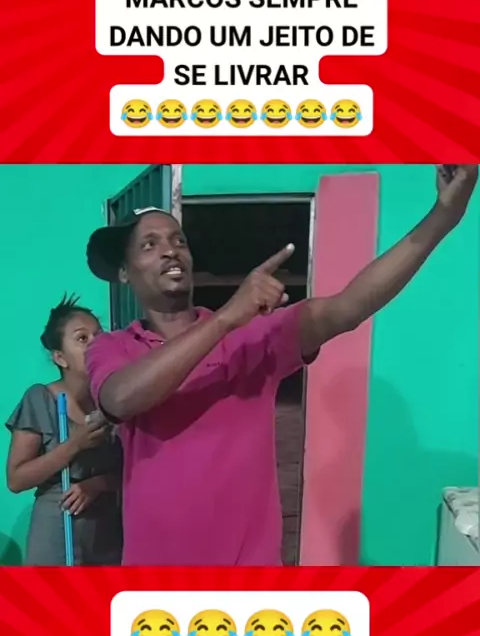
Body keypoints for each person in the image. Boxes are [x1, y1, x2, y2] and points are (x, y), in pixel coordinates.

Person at [85, 165, 477, 567]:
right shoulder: (111, 348)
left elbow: (348, 307)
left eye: (178, 240)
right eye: (149, 245)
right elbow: (120, 400)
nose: (170, 250)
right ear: (124, 272)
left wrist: (444, 216)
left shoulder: (251, 337)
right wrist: (225, 318)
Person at [6, 295, 123, 565]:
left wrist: (97, 484)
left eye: (99, 336)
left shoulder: (117, 399)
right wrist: (75, 445)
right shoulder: (41, 399)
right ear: (60, 357)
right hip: (57, 533)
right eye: (82, 338)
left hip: (108, 535)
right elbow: (16, 480)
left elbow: (137, 473)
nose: (96, 344)